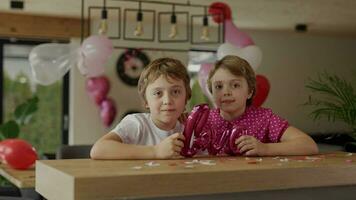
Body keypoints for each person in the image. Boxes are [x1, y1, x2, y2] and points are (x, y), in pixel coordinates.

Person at [204, 55, 318, 156]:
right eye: (219, 86)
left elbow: (308, 145)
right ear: (211, 91)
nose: (226, 92)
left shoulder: (264, 119)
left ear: (250, 92)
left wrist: (265, 148)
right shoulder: (204, 120)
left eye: (235, 85)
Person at [90, 57, 191, 159]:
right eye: (158, 93)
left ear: (186, 97)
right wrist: (155, 151)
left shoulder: (188, 126)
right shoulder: (137, 124)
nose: (168, 100)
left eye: (175, 92)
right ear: (146, 101)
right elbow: (98, 149)